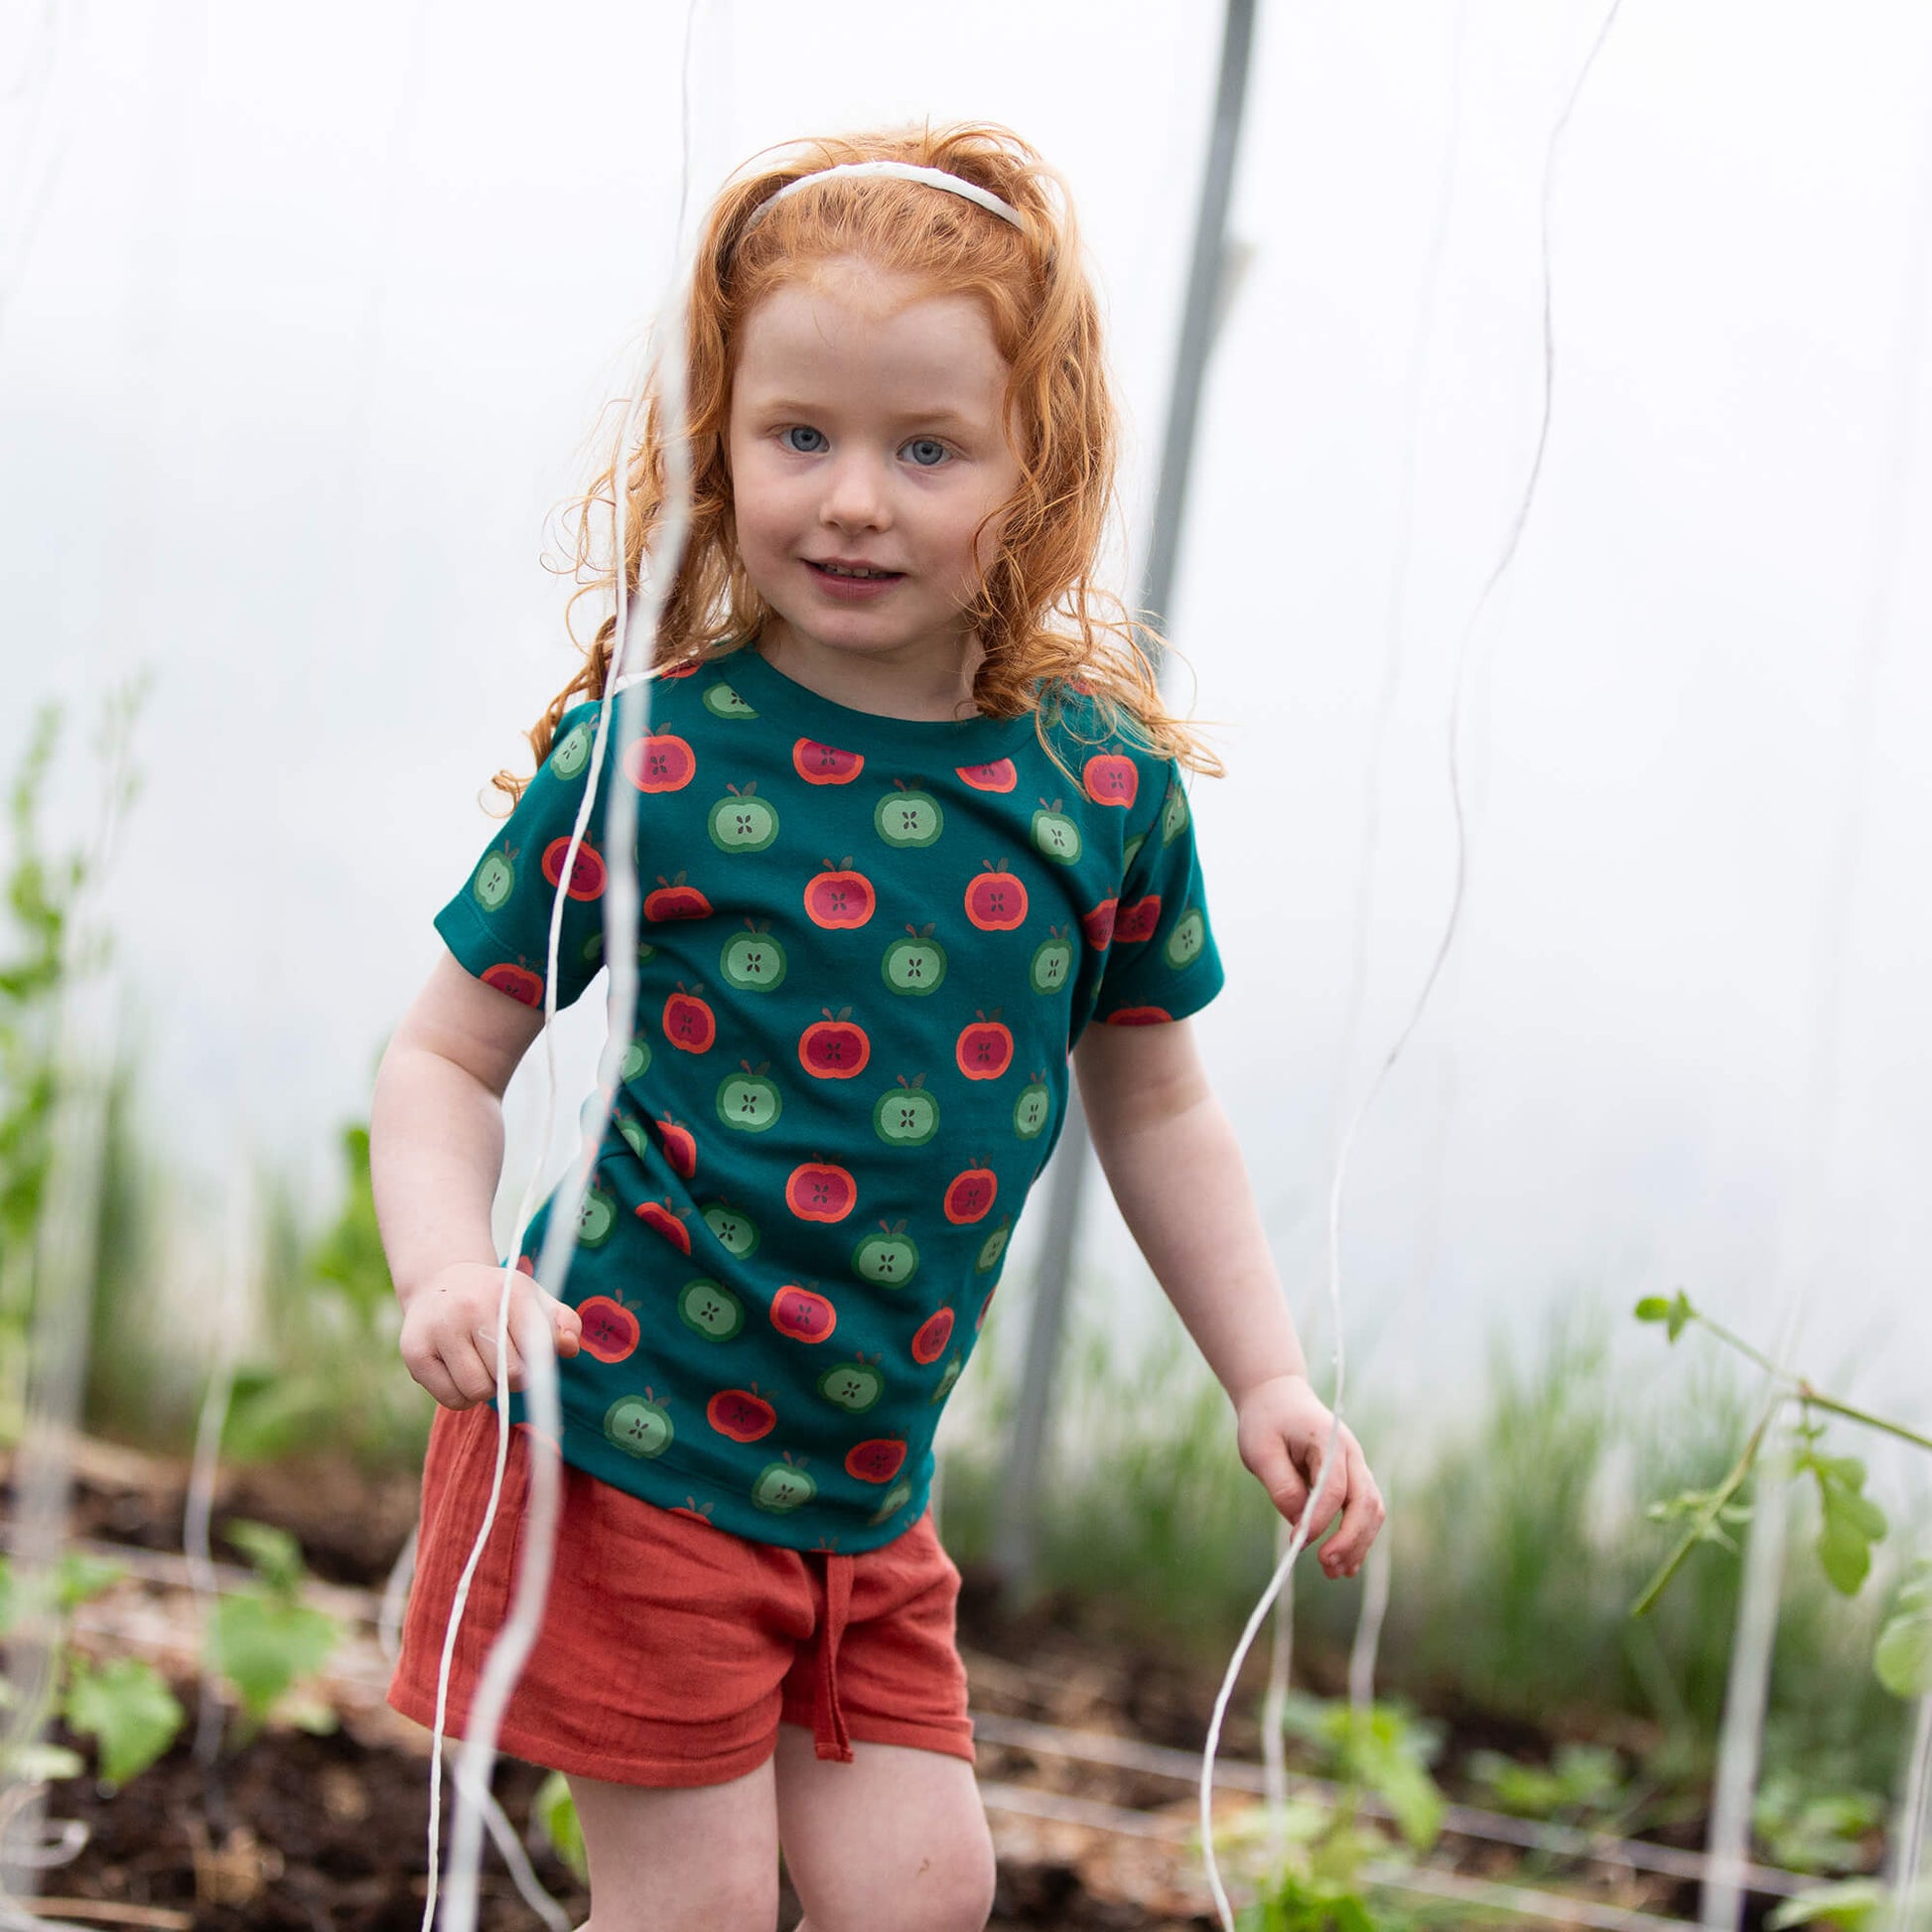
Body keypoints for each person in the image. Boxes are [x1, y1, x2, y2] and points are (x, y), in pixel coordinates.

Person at [371, 122, 1384, 1932]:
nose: (853, 498)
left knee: (923, 1891)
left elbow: (1154, 1103)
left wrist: (1268, 1374)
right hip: (628, 1434)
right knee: (689, 1914)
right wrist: (446, 1266)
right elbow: (447, 1048)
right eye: (800, 437)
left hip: (856, 1497)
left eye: (927, 448)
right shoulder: (655, 756)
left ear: (1036, 465)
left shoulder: (1100, 791)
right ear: (719, 441)